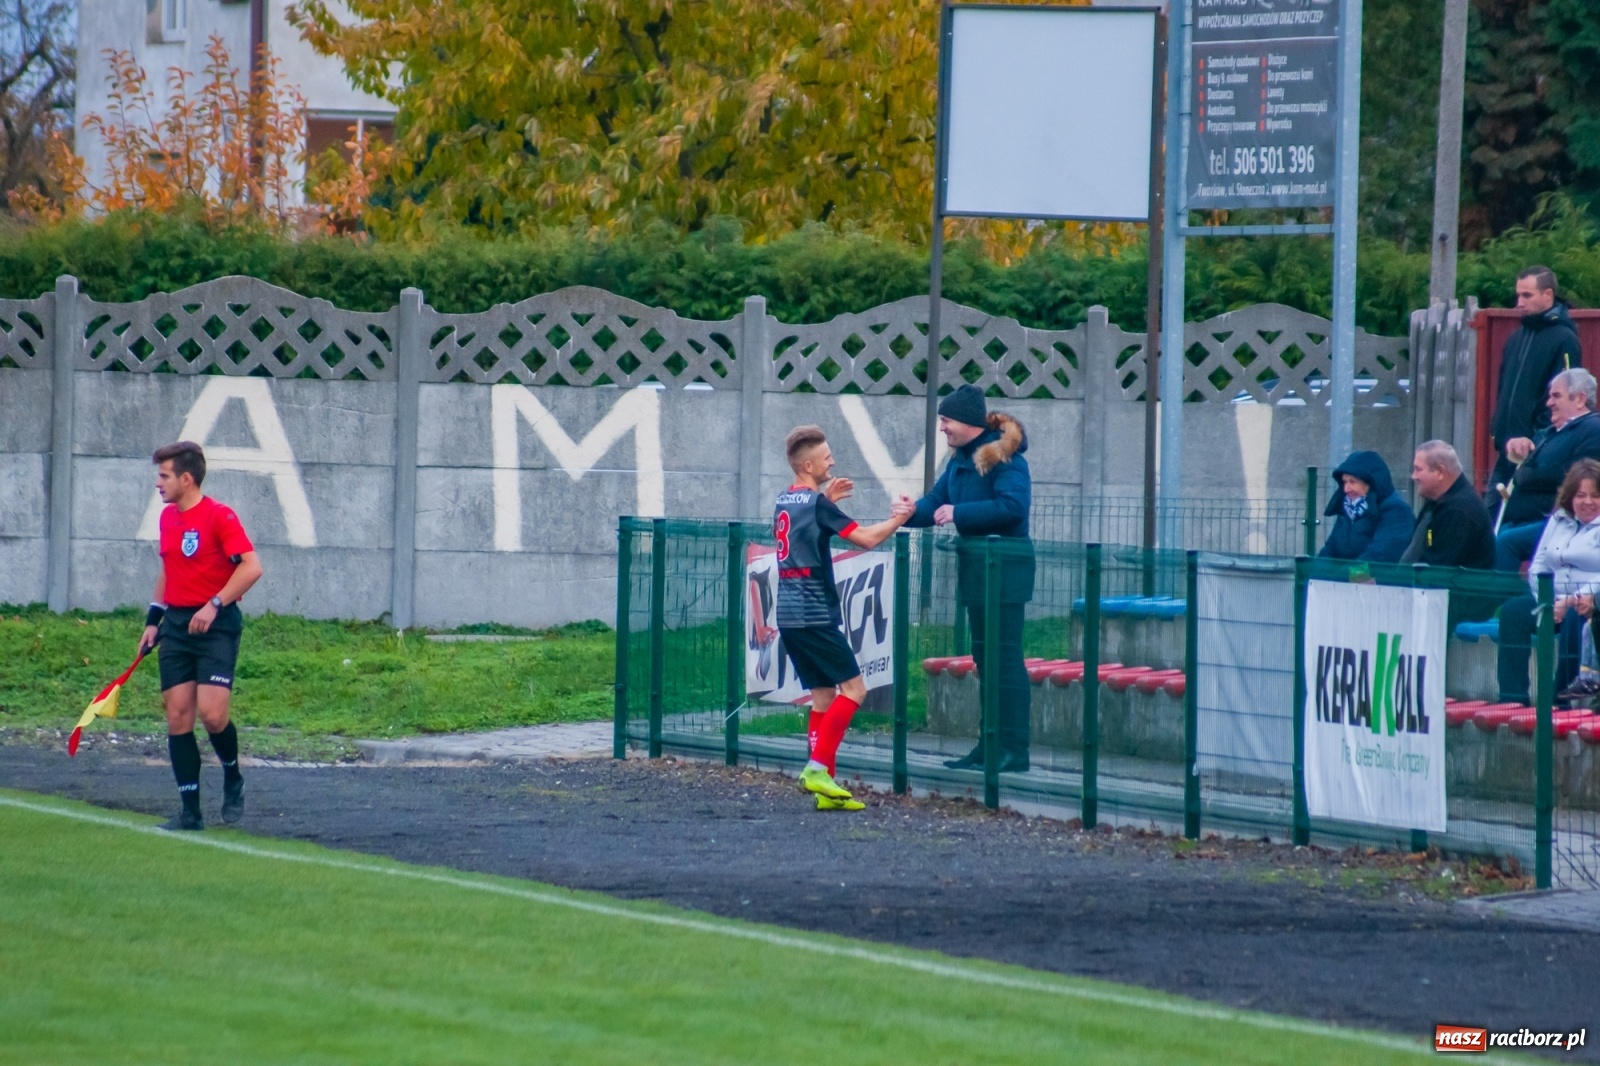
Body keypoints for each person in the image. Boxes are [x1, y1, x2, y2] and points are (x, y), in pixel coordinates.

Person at [773, 425, 912, 811]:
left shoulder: (785, 499)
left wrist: (826, 499)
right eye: (826, 457)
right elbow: (867, 539)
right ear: (808, 463)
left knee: (822, 697)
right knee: (855, 691)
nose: (832, 461)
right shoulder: (817, 505)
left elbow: (807, 532)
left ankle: (825, 790)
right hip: (814, 612)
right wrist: (900, 518)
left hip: (788, 614)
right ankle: (817, 768)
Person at [901, 384, 1035, 773]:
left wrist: (958, 513)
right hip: (978, 571)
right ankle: (988, 745)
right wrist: (909, 513)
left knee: (1005, 659)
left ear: (968, 422)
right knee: (984, 659)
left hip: (1006, 570)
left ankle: (1013, 750)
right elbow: (935, 502)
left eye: (946, 420)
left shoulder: (1005, 459)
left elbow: (1012, 507)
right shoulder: (959, 461)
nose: (941, 427)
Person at [137, 441, 263, 831]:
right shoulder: (167, 519)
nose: (158, 483)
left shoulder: (219, 517)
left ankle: (232, 775)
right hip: (175, 626)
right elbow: (169, 571)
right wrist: (154, 620)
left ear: (186, 479)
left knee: (212, 715)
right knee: (178, 717)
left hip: (216, 626)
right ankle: (190, 813)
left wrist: (214, 605)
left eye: (164, 476)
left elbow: (251, 568)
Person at [1495, 459, 1600, 704]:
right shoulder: (1558, 520)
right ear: (1570, 496)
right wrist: (1549, 601)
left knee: (1577, 619)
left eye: (1595, 496)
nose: (1587, 502)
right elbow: (1539, 564)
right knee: (1513, 613)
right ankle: (1512, 699)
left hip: (1589, 603)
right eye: (1581, 495)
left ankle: (1560, 701)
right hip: (1552, 601)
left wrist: (1569, 601)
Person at [1487, 265, 1582, 499]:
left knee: (1512, 524)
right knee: (1489, 517)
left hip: (1535, 453)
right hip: (1507, 449)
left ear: (1547, 295)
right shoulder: (1515, 338)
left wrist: (1536, 439)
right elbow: (1503, 391)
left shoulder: (1564, 339)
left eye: (1527, 295)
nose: (1520, 302)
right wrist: (1498, 431)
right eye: (1518, 295)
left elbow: (1565, 397)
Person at [1491, 368, 1600, 571]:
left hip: (1564, 521)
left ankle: (1505, 600)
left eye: (1556, 396)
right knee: (1494, 536)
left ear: (1579, 399)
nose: (1549, 403)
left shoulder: (1593, 430)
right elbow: (1532, 462)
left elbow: (1572, 476)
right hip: (1524, 517)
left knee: (1507, 541)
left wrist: (1528, 472)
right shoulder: (1551, 432)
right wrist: (1520, 443)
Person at [1401, 441, 1495, 570]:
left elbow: (1439, 569)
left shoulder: (1460, 512)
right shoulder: (1436, 503)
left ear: (1440, 472)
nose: (1413, 476)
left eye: (1418, 469)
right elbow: (1426, 544)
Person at [1317, 450, 1412, 563]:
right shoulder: (1348, 510)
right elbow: (1329, 550)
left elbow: (1379, 558)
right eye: (1344, 482)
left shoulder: (1396, 511)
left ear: (1371, 483)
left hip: (1380, 580)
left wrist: (1340, 577)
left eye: (1352, 482)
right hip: (1346, 579)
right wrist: (1315, 575)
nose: (1346, 489)